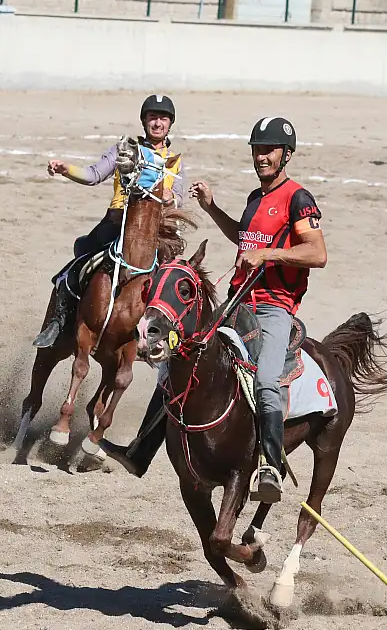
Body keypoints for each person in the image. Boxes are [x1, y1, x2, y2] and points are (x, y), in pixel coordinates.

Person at [101, 116, 327, 504]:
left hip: (274, 308)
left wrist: (268, 254)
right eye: (257, 149)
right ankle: (141, 452)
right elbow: (245, 238)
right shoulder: (257, 198)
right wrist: (210, 208)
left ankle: (270, 466)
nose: (262, 156)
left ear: (285, 155)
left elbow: (317, 253)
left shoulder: (298, 198)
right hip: (238, 303)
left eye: (269, 150)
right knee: (179, 358)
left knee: (266, 382)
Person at [32, 94, 187, 348]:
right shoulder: (125, 149)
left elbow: (179, 199)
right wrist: (66, 169)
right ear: (144, 121)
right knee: (78, 262)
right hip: (117, 222)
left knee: (172, 281)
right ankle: (58, 322)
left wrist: (170, 197)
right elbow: (93, 175)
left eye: (163, 118)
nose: (157, 123)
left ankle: (162, 340)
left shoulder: (175, 162)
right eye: (152, 117)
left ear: (170, 124)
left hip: (155, 231)